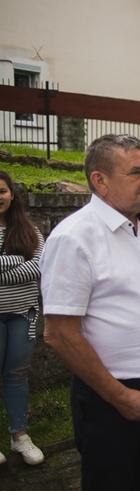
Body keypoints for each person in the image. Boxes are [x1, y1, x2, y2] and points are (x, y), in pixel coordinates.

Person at [40, 134, 140, 491]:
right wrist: (119, 396)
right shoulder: (74, 238)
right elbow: (59, 333)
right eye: (136, 171)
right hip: (108, 400)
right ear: (100, 181)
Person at [0, 171, 45, 466]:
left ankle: (20, 437)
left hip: (23, 315)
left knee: (17, 376)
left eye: (1, 191)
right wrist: (17, 259)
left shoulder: (30, 231)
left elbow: (40, 267)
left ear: (12, 194)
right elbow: (26, 265)